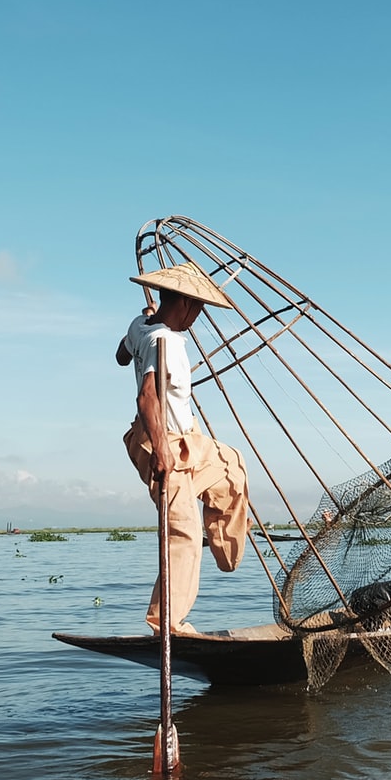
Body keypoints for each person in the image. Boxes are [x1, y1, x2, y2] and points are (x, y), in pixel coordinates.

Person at [115, 261, 251, 635]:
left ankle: (225, 550)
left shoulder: (141, 326)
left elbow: (121, 356)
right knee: (183, 534)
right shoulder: (166, 341)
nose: (198, 317)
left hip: (185, 436)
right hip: (162, 439)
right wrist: (161, 452)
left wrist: (143, 325)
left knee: (230, 465)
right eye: (199, 309)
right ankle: (167, 624)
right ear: (187, 305)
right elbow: (147, 398)